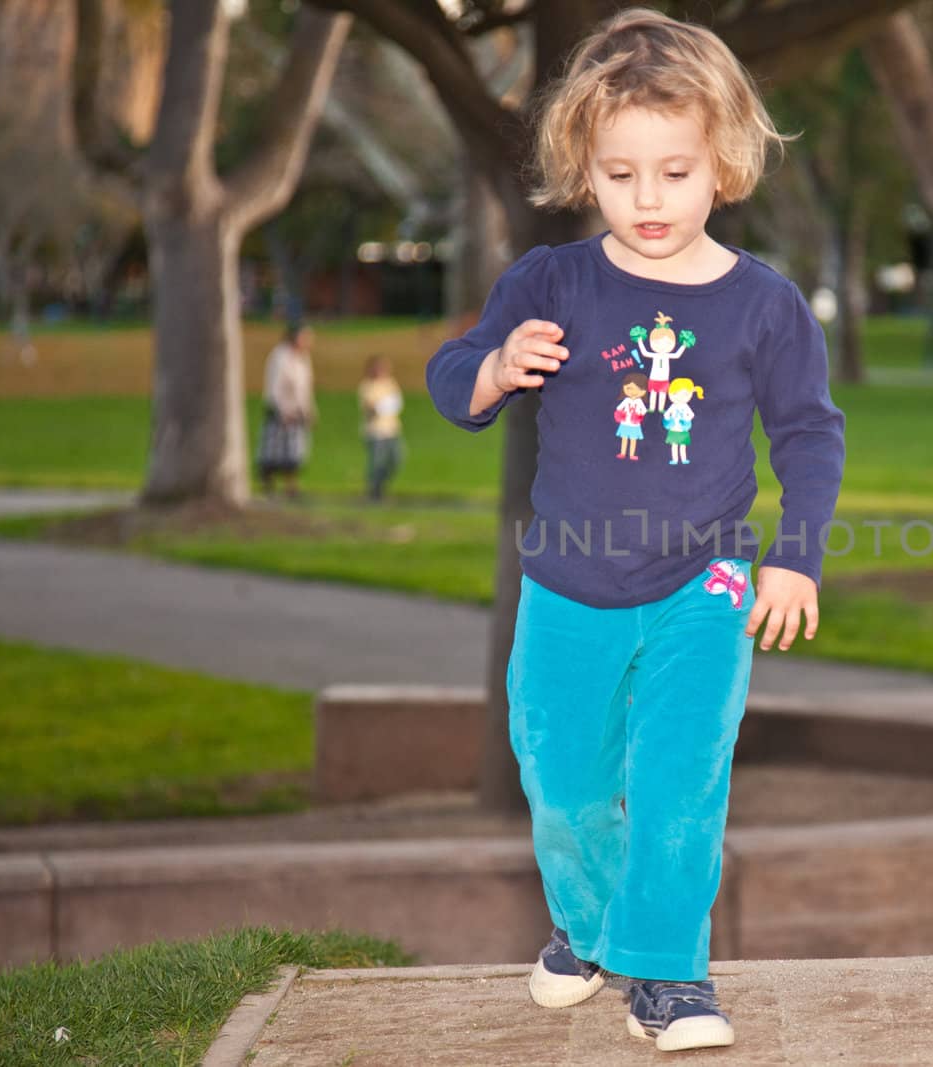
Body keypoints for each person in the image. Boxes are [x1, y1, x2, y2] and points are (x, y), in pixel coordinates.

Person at [425, 8, 844, 1054]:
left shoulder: (764, 306)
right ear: (583, 166)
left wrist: (794, 557)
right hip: (566, 589)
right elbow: (453, 373)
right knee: (559, 774)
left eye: (673, 172)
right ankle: (589, 921)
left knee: (676, 780)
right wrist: (490, 367)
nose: (647, 199)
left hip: (702, 590)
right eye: (620, 175)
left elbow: (809, 436)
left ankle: (667, 975)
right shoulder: (550, 283)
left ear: (724, 164)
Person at [256, 323, 316, 499]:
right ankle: (268, 484)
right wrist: (282, 410)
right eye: (306, 336)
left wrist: (309, 409)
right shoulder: (280, 356)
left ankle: (292, 486)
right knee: (274, 449)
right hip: (280, 409)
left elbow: (306, 388)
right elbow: (274, 385)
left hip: (298, 410)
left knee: (294, 450)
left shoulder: (303, 358)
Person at [358, 354, 405, 501]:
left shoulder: (390, 383)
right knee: (377, 462)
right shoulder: (367, 386)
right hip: (376, 431)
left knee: (396, 459)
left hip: (392, 429)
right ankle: (375, 491)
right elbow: (372, 408)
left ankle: (381, 485)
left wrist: (385, 405)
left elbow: (397, 403)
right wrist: (384, 405)